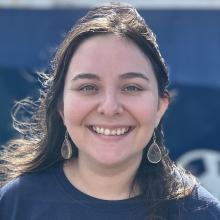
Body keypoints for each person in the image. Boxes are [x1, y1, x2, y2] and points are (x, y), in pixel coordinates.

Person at [0, 3, 220, 220]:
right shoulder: (16, 204)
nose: (110, 107)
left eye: (131, 87)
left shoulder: (200, 212)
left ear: (160, 107)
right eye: (88, 87)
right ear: (61, 106)